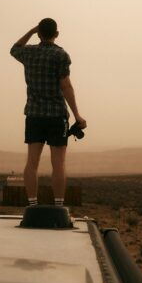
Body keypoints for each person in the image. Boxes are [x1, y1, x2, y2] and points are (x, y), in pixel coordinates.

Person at [10, 18, 87, 207]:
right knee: (58, 164)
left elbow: (14, 48)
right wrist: (77, 114)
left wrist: (30, 30)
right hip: (56, 116)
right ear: (57, 34)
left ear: (38, 33)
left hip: (34, 115)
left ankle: (32, 204)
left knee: (32, 163)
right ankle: (59, 205)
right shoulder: (60, 55)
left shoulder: (29, 53)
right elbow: (66, 85)